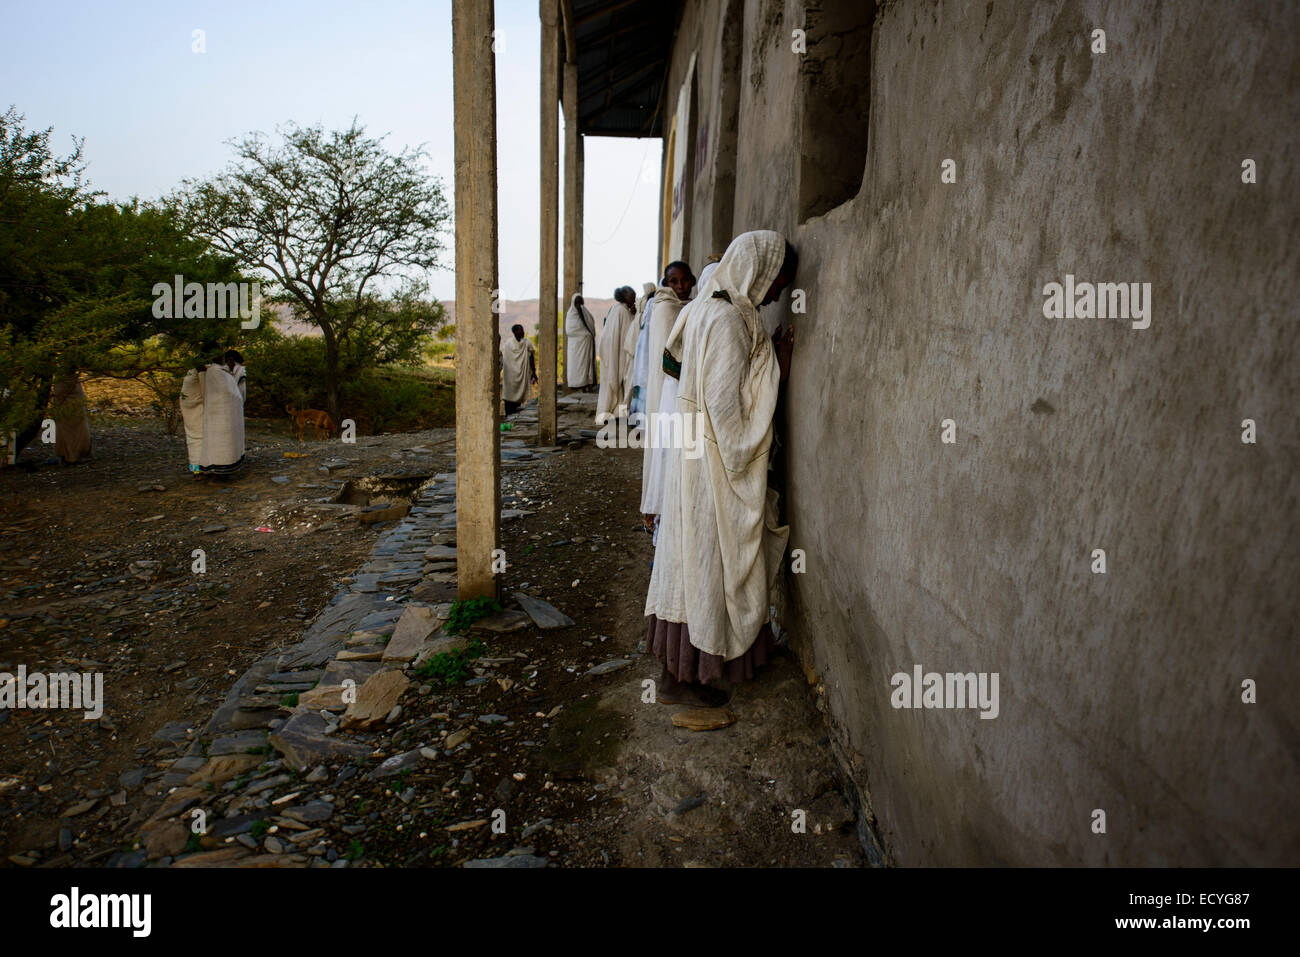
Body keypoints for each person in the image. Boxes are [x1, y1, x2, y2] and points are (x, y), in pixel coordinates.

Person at [644, 230, 797, 708]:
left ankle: (683, 675)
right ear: (757, 271)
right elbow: (728, 420)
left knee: (690, 565)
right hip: (710, 466)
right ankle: (682, 682)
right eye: (776, 282)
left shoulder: (710, 309)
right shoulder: (729, 321)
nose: (775, 294)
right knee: (706, 567)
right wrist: (775, 371)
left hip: (692, 461)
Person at [638, 261, 696, 532]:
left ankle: (671, 518)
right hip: (667, 392)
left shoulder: (692, 307)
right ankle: (660, 515)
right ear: (665, 282)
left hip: (679, 392)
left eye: (685, 280)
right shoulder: (664, 309)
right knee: (665, 451)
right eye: (674, 281)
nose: (681, 286)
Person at [595, 286, 636, 423]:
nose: (634, 300)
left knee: (609, 385)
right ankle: (616, 412)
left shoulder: (615, 309)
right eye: (632, 297)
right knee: (619, 383)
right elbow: (628, 333)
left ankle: (608, 412)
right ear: (625, 297)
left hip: (610, 354)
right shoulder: (623, 312)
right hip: (617, 354)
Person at [50, 373, 92, 464]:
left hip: (65, 382)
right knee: (69, 420)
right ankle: (73, 453)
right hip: (68, 383)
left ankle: (69, 454)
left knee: (66, 420)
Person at [501, 323, 537, 416]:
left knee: (518, 401)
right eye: (520, 330)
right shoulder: (508, 345)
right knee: (509, 401)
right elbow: (506, 362)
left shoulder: (527, 342)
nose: (523, 332)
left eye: (523, 330)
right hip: (510, 377)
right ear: (515, 332)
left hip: (521, 376)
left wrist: (534, 372)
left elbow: (531, 357)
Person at [564, 294, 597, 391]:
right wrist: (584, 334)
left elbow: (589, 323)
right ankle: (579, 385)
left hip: (585, 344)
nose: (578, 304)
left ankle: (587, 384)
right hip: (575, 346)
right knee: (577, 367)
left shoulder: (584, 311)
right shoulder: (570, 314)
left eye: (580, 302)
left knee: (586, 365)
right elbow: (570, 330)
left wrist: (587, 335)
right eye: (576, 302)